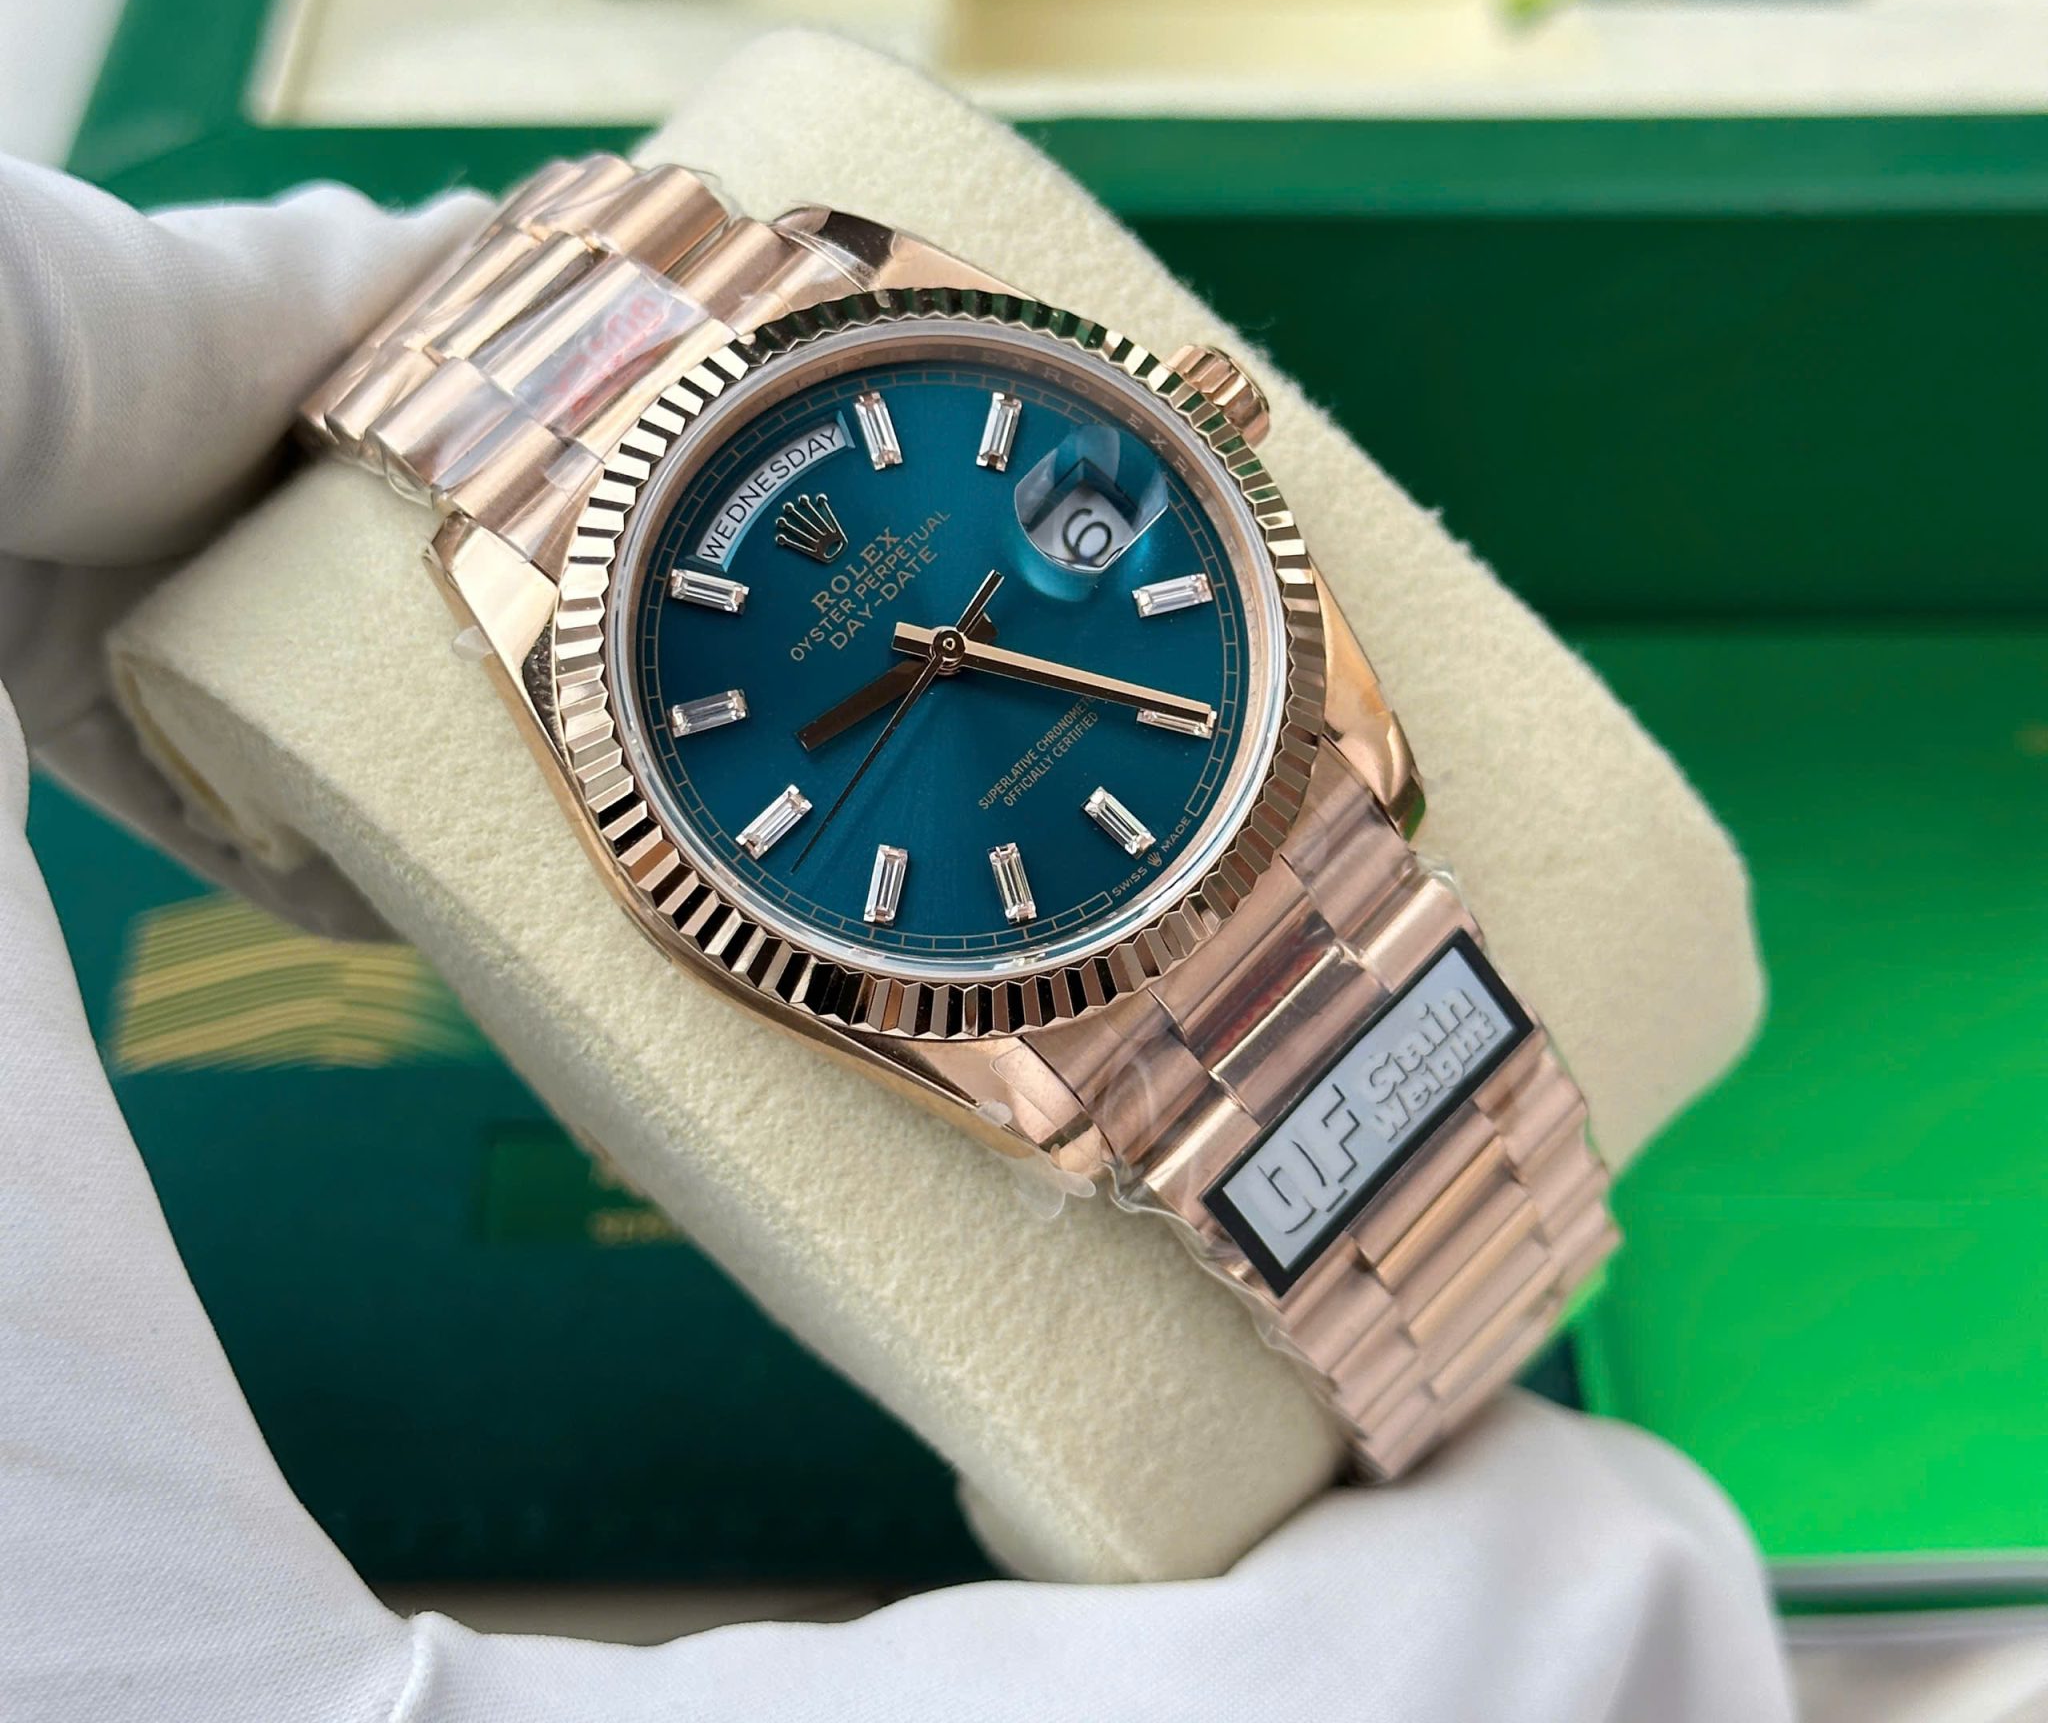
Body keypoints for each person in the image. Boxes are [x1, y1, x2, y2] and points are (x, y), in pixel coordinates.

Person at [0, 153, 1794, 1722]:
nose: (933, 647)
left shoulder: (850, 302)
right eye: (922, 658)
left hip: (1273, 814)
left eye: (941, 639)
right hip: (1063, 1002)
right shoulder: (540, 612)